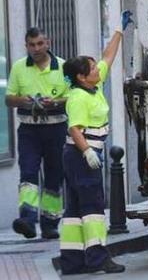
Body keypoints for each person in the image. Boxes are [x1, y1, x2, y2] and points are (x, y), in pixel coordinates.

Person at [59, 15, 129, 275]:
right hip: (81, 155)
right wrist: (87, 152)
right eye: (93, 68)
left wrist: (119, 31)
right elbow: (74, 128)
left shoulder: (93, 85)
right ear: (81, 77)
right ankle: (99, 258)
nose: (99, 70)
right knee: (93, 208)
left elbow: (107, 56)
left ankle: (73, 261)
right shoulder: (78, 97)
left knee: (76, 210)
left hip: (81, 156)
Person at [7, 28, 69, 240]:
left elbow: (72, 97)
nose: (36, 49)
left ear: (48, 43)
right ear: (26, 46)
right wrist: (24, 100)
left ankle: (50, 223)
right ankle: (27, 219)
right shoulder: (18, 67)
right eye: (32, 45)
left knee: (54, 176)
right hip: (29, 130)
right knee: (29, 173)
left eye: (40, 44)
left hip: (56, 128)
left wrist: (55, 102)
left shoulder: (62, 67)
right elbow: (9, 98)